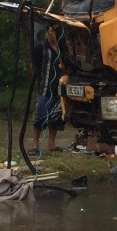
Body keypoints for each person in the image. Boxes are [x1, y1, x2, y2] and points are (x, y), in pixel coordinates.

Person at [31, 24, 65, 154]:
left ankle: (51, 144)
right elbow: (33, 64)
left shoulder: (62, 49)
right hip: (45, 87)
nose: (52, 34)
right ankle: (35, 145)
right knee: (39, 115)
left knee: (56, 117)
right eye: (50, 31)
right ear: (47, 32)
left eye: (54, 32)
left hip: (59, 88)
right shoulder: (41, 47)